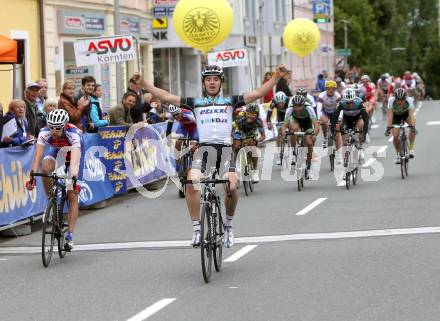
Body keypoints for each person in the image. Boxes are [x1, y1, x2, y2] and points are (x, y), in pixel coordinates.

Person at [140, 63, 288, 248]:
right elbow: (166, 96)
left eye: (215, 79)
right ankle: (196, 229)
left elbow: (258, 93)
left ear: (221, 82)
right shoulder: (195, 103)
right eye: (208, 79)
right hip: (204, 150)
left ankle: (228, 225)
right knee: (192, 184)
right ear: (204, 83)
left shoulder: (231, 101)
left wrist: (276, 77)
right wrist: (144, 84)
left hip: (225, 150)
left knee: (231, 186)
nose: (212, 82)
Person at [25, 109, 83, 250]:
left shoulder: (74, 134)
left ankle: (69, 236)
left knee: (71, 193)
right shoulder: (44, 132)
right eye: (51, 127)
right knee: (45, 169)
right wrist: (32, 176)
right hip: (56, 150)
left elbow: (74, 161)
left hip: (73, 153)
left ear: (64, 125)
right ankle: (51, 198)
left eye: (57, 128)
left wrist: (73, 177)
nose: (54, 131)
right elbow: (38, 156)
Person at [284, 95, 319, 179]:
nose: (297, 109)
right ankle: (294, 152)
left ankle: (309, 167)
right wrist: (284, 132)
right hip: (296, 121)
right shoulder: (290, 109)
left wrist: (314, 133)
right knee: (293, 130)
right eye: (295, 106)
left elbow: (316, 124)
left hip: (307, 123)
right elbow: (284, 125)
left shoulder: (309, 108)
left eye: (300, 106)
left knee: (309, 142)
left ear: (303, 105)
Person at [331, 88, 369, 164]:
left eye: (351, 102)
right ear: (345, 101)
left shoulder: (359, 102)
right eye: (348, 103)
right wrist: (333, 130)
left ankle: (360, 148)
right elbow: (335, 117)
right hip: (347, 119)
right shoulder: (341, 103)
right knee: (345, 141)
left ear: (354, 100)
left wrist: (364, 133)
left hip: (358, 117)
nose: (350, 105)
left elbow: (366, 119)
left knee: (361, 125)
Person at [232, 103, 265, 182]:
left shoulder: (258, 121)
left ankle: (254, 172)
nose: (250, 116)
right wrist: (234, 137)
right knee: (236, 145)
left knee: (252, 148)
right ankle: (237, 163)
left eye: (253, 115)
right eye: (248, 114)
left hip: (251, 134)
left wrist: (257, 141)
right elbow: (231, 129)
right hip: (239, 132)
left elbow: (263, 136)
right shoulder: (240, 117)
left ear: (257, 115)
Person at [385, 88, 416, 162]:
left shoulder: (409, 100)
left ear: (405, 98)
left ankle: (411, 149)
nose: (400, 102)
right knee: (395, 136)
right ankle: (398, 154)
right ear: (395, 99)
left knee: (412, 126)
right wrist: (388, 127)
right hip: (395, 116)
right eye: (398, 100)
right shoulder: (391, 101)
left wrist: (412, 127)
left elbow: (411, 115)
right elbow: (390, 115)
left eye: (402, 100)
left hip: (406, 115)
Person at [267, 91, 290, 165]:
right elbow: (269, 115)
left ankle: (292, 149)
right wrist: (268, 123)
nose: (280, 105)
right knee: (279, 134)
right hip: (280, 116)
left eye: (282, 103)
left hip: (289, 115)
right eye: (278, 103)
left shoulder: (288, 101)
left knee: (291, 130)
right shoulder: (273, 102)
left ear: (284, 100)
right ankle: (278, 153)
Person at [316, 80, 341, 150]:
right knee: (323, 122)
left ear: (335, 89)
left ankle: (337, 143)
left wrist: (340, 117)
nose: (331, 90)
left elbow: (340, 108)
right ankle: (325, 138)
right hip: (325, 112)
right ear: (326, 89)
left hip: (334, 112)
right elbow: (319, 109)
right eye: (329, 88)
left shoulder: (337, 95)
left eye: (333, 88)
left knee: (337, 127)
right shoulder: (321, 95)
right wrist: (319, 118)